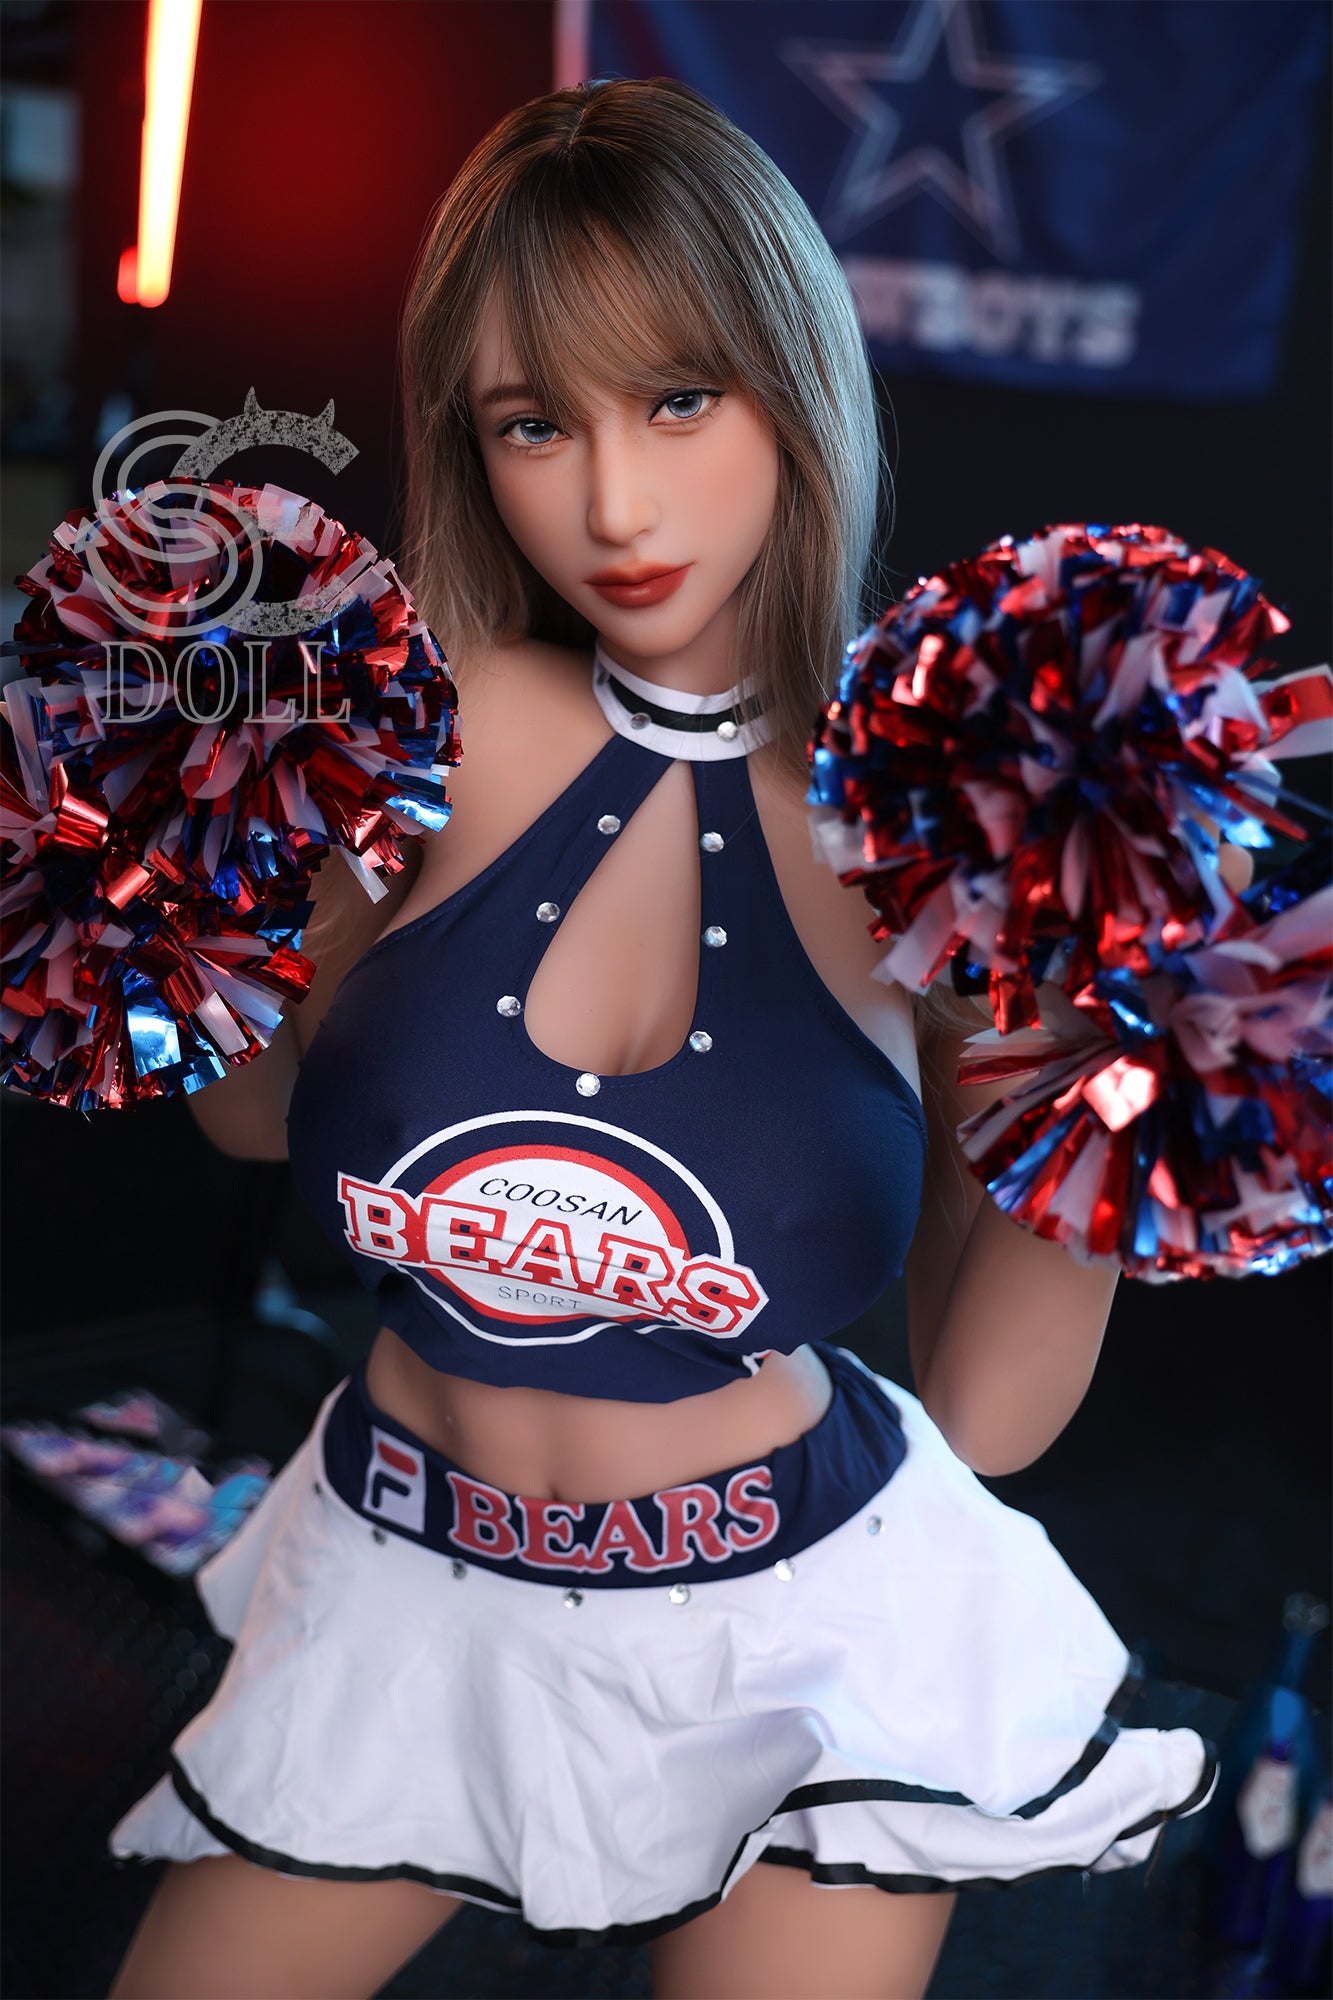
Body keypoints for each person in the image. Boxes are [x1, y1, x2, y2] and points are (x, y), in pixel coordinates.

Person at [106, 78, 1218, 2000]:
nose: (613, 506)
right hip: (403, 1581)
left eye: (681, 400)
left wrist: (1111, 1076)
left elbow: (987, 1416)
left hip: (797, 1635)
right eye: (535, 423)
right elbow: (252, 1123)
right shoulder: (400, 725)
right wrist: (168, 884)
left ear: (795, 389)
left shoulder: (949, 817)